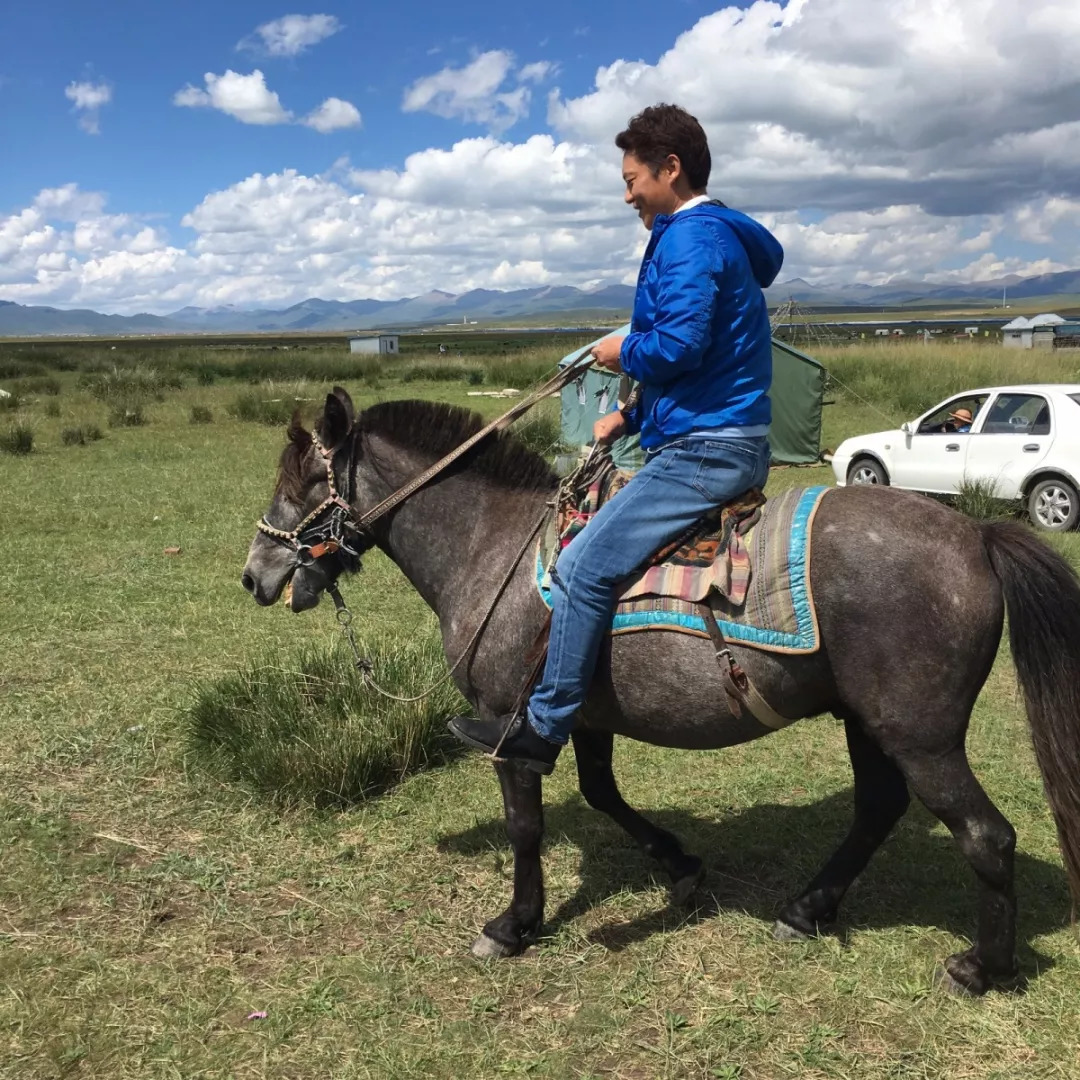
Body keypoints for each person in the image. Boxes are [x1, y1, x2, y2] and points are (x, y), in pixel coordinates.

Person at [449, 103, 784, 773]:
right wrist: (628, 418)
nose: (627, 192)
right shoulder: (712, 236)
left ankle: (542, 731)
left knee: (580, 568)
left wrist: (618, 348)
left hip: (706, 450)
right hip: (713, 431)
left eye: (634, 178)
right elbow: (707, 356)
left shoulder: (690, 237)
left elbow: (679, 345)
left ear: (671, 168)